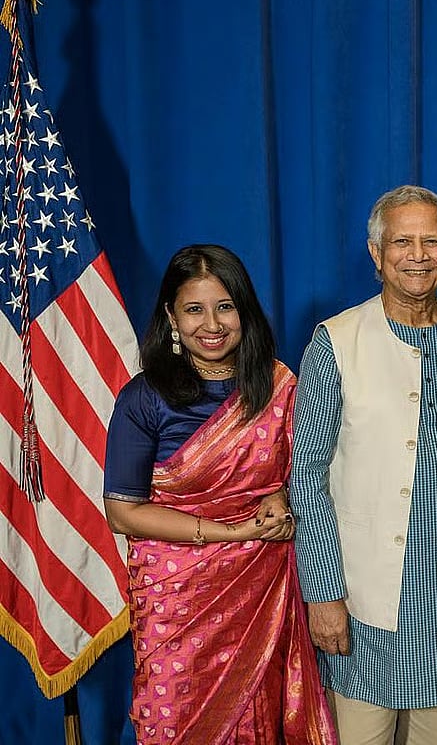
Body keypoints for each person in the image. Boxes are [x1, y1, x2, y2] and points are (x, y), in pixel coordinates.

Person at [290, 185, 437, 745]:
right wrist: (322, 592)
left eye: (431, 241)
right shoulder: (335, 342)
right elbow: (308, 478)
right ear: (376, 253)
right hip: (365, 596)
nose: (418, 255)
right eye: (402, 242)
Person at [103, 244, 336, 745]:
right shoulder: (144, 399)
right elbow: (123, 513)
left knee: (260, 713)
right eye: (194, 309)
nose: (211, 324)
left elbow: (308, 470)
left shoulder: (280, 386)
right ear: (171, 316)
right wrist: (230, 533)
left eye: (225, 306)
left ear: (244, 311)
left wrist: (283, 497)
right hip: (177, 598)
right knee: (175, 720)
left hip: (263, 588)